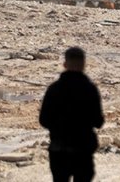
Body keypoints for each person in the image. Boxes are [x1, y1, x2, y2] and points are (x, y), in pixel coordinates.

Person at [39, 47, 104, 182]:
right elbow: (98, 121)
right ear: (84, 65)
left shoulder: (54, 89)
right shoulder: (90, 89)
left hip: (59, 149)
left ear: (65, 64)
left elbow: (44, 120)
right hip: (83, 150)